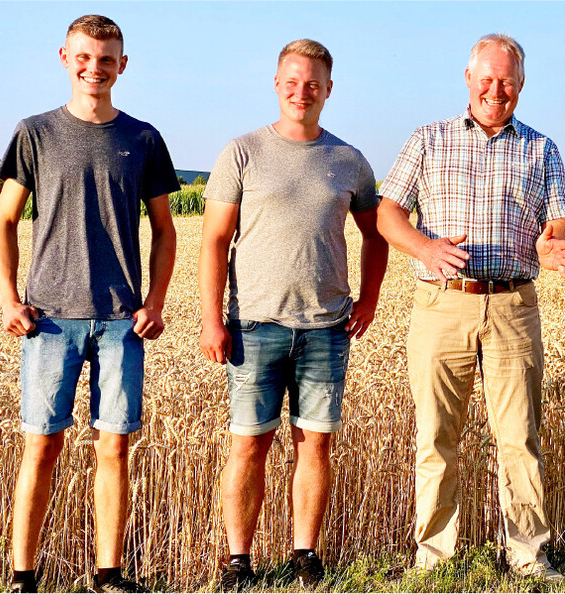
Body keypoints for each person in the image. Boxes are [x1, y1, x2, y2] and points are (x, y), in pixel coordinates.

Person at [376, 33, 565, 582]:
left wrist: (550, 241)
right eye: (486, 78)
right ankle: (433, 556)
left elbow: (559, 221)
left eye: (506, 81)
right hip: (443, 303)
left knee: (520, 437)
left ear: (521, 85)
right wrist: (423, 246)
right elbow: (387, 212)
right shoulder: (429, 139)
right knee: (436, 434)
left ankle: (529, 554)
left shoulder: (542, 148)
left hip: (513, 305)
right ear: (467, 79)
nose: (496, 90)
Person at [0, 14, 178, 594]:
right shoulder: (35, 133)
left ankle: (109, 575)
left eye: (106, 58)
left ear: (123, 65)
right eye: (84, 56)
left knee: (114, 448)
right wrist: (9, 299)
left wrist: (155, 300)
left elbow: (165, 230)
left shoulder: (143, 139)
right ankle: (23, 577)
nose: (94, 67)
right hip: (48, 322)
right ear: (65, 58)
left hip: (122, 322)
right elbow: (3, 220)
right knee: (41, 447)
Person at [198, 38, 387, 591]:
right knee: (250, 443)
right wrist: (212, 319)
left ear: (329, 90)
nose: (301, 91)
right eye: (292, 81)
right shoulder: (243, 151)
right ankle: (239, 559)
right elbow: (213, 242)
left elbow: (376, 237)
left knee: (316, 442)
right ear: (276, 84)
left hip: (326, 327)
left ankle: (305, 554)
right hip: (254, 326)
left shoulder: (349, 160)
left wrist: (369, 299)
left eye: (313, 83)